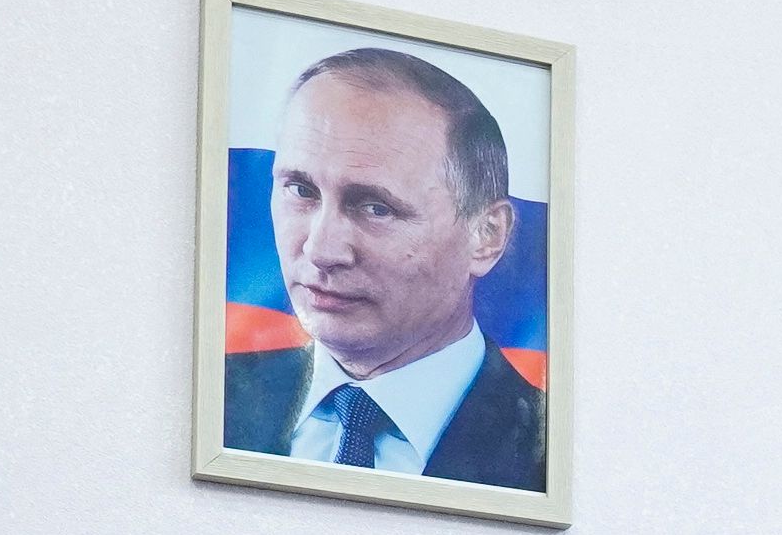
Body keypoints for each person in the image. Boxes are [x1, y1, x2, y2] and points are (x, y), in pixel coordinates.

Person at [223, 47, 547, 491]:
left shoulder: (555, 457)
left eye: (376, 208)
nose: (321, 250)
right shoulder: (208, 400)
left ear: (486, 235)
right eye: (301, 190)